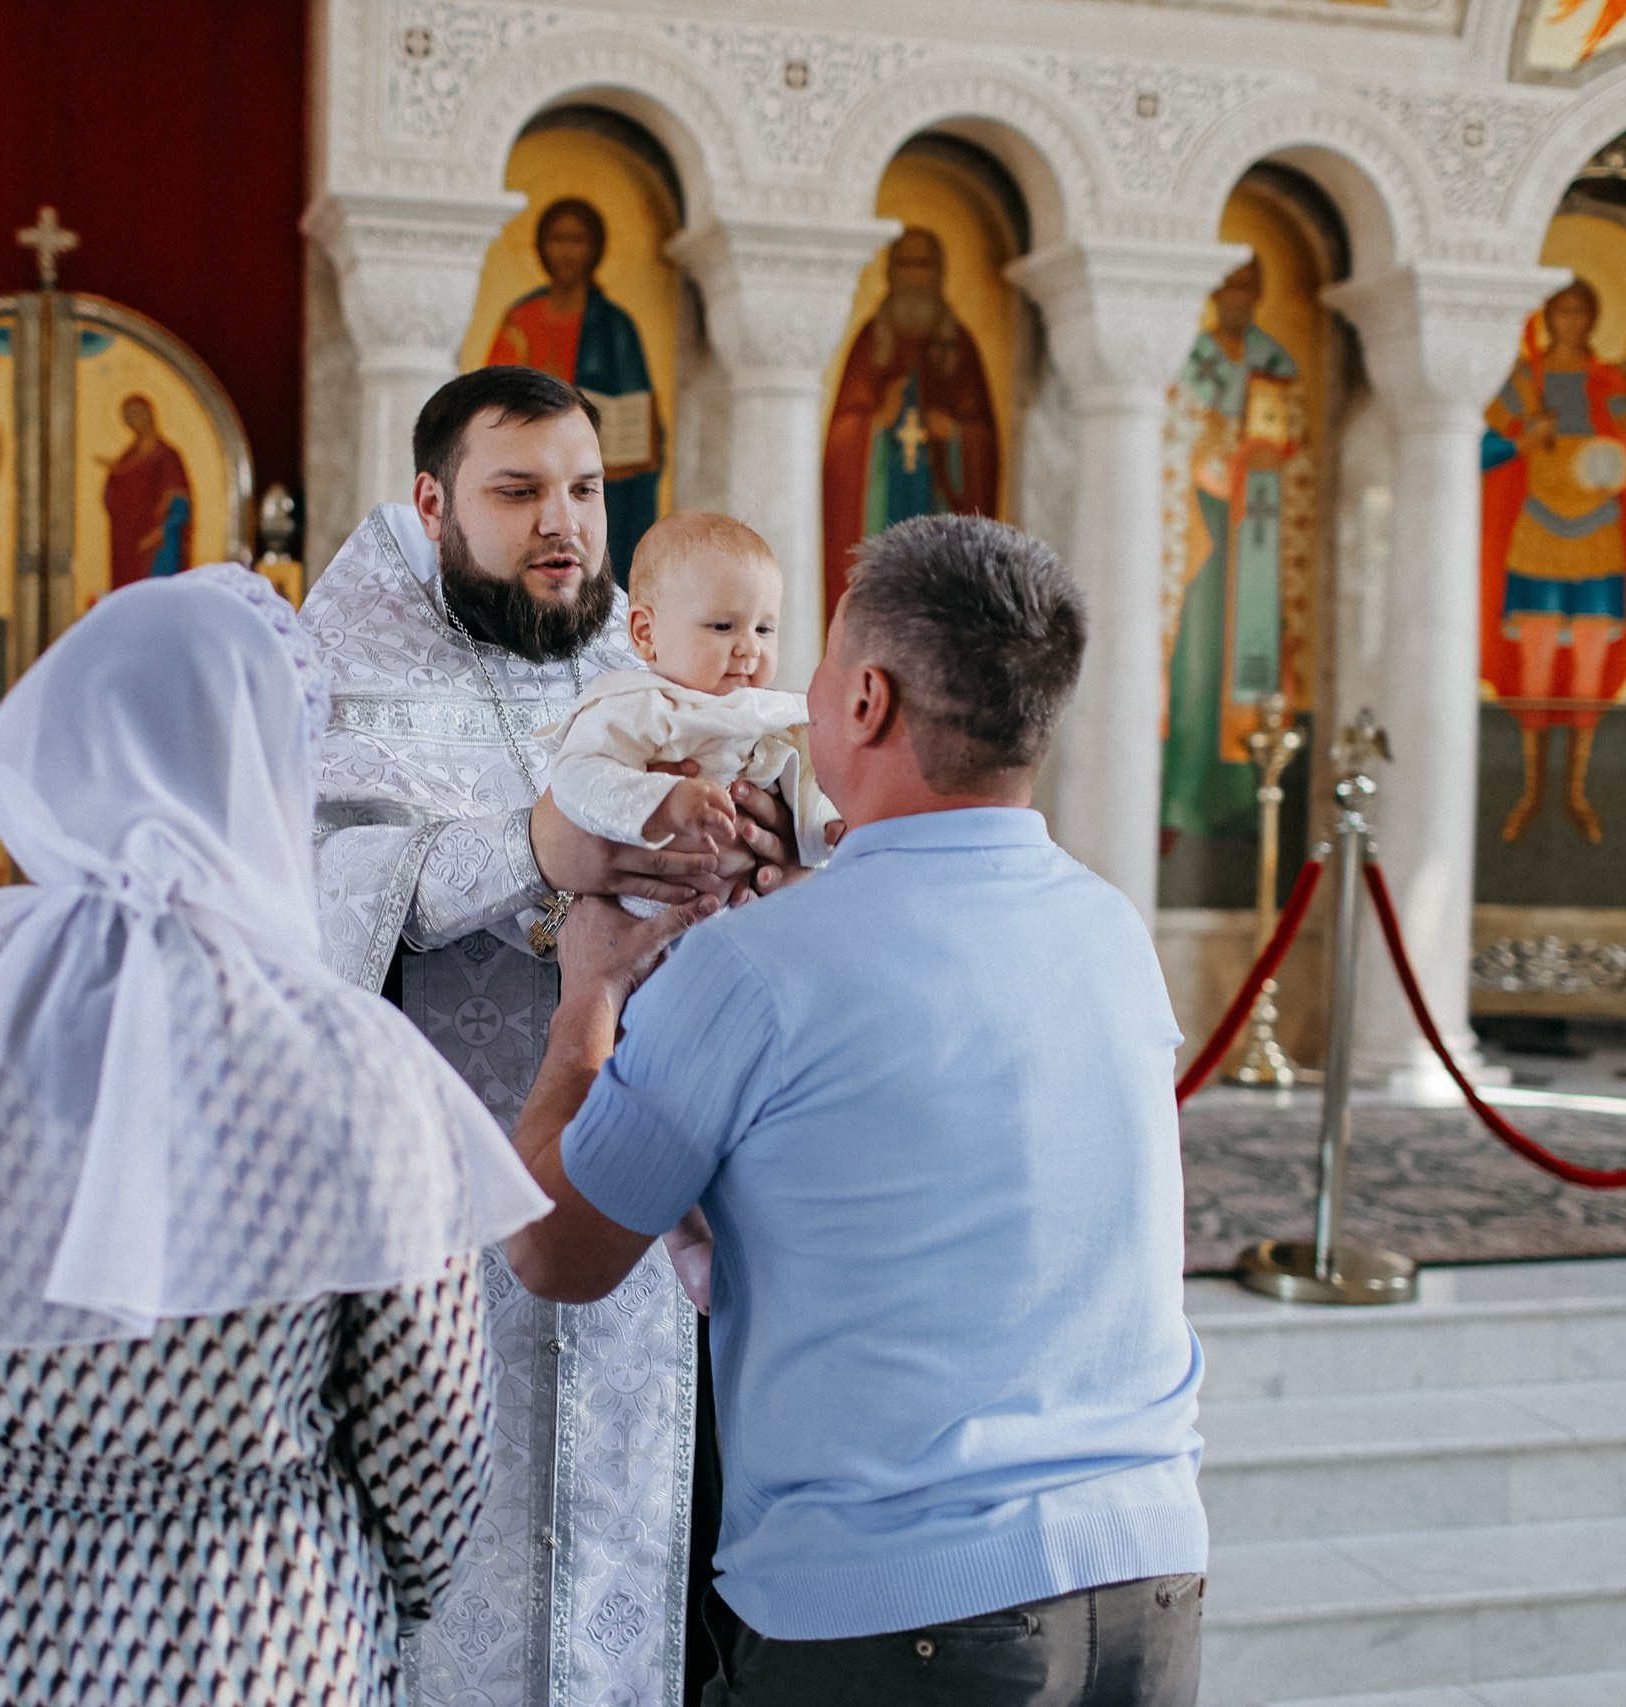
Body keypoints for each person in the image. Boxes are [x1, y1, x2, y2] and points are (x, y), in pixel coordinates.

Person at [0, 565, 549, 1706]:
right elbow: (427, 1436)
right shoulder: (348, 1058)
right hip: (244, 1632)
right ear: (270, 767)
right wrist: (356, 1590)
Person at [505, 514, 1208, 1706]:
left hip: (900, 1615)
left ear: (867, 701)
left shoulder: (756, 968)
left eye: (819, 662)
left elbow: (552, 1248)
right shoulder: (1109, 930)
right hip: (1150, 1581)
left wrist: (588, 996)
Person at [304, 365, 806, 1707]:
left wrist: (755, 860)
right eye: (518, 490)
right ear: (433, 503)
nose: (564, 523)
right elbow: (299, 897)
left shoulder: (646, 661)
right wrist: (528, 846)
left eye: (584, 489)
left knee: (627, 1572)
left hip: (620, 1185)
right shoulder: (337, 661)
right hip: (431, 1217)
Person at [537, 510, 837, 917]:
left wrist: (828, 826)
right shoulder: (636, 706)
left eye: (764, 629)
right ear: (646, 633)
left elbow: (810, 772)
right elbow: (577, 775)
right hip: (648, 913)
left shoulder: (769, 711)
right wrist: (665, 804)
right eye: (723, 626)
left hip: (749, 909)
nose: (750, 647)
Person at [1480, 278, 1626, 845]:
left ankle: (1576, 792)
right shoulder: (1525, 382)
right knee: (1534, 669)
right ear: (1549, 316)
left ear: (1593, 318)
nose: (1570, 321)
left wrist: (1614, 464)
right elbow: (1478, 447)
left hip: (1599, 536)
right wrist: (1523, 441)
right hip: (1538, 533)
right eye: (1560, 310)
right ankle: (1531, 791)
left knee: (1588, 669)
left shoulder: (1608, 381)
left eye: (1581, 311)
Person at [1158, 256, 1314, 856]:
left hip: (1258, 537)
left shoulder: (1276, 363)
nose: (1235, 298)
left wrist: (1264, 457)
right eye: (1227, 286)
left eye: (1247, 287)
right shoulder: (1188, 355)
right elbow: (1172, 438)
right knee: (1195, 662)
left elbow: (1295, 447)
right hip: (1200, 534)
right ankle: (1178, 798)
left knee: (1250, 664)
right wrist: (1211, 450)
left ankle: (1243, 806)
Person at [485, 198, 664, 585]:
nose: (566, 251)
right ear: (540, 247)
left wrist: (637, 440)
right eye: (558, 239)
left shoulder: (614, 326)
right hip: (528, 469)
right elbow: (491, 403)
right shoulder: (522, 318)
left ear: (595, 249)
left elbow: (640, 413)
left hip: (601, 474)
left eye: (577, 240)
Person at [820, 227, 999, 615]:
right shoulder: (871, 343)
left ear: (940, 273)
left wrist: (955, 435)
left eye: (924, 265)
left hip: (939, 500)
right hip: (882, 497)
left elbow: (984, 438)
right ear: (890, 273)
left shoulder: (959, 346)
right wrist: (874, 423)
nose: (915, 276)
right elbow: (839, 441)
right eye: (905, 264)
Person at [100, 392, 194, 597]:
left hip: (159, 544)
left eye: (137, 414)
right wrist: (116, 476)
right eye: (128, 417)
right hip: (127, 544)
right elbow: (115, 496)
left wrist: (160, 531)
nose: (133, 421)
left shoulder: (167, 456)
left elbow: (180, 504)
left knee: (158, 595)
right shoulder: (128, 457)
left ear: (150, 415)